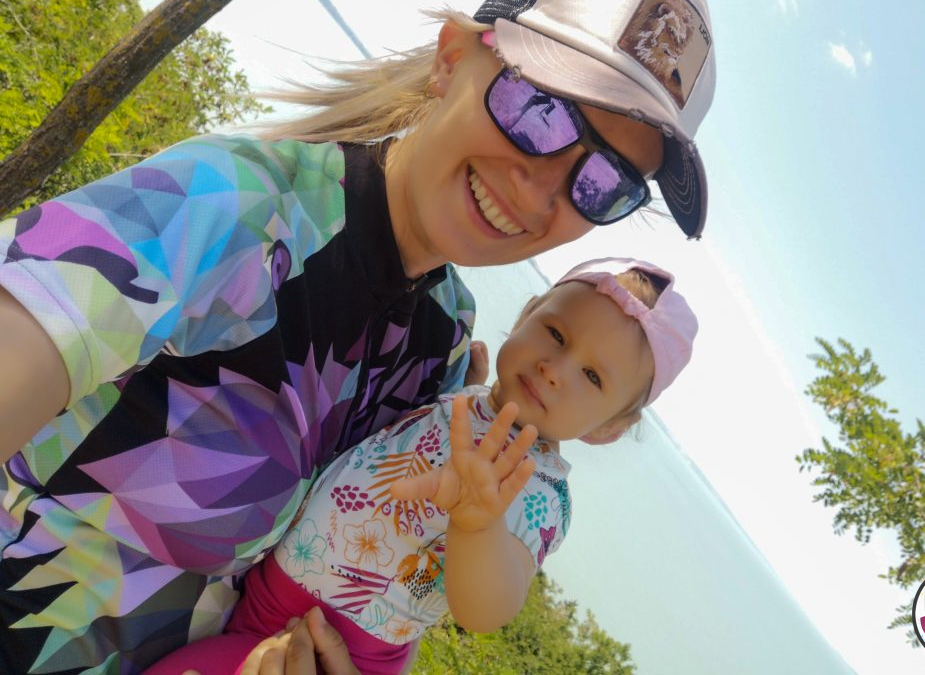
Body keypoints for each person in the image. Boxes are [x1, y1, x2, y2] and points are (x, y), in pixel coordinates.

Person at [0, 0, 717, 674]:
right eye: (539, 109)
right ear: (452, 58)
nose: (541, 191)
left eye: (604, 182)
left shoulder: (440, 341)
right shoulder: (241, 209)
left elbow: (374, 558)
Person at [144, 258, 698, 675]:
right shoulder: (464, 398)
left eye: (593, 377)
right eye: (556, 334)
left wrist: (478, 523)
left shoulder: (537, 493)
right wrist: (467, 387)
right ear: (527, 314)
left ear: (608, 429)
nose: (556, 368)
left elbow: (488, 609)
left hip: (336, 647)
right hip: (271, 599)